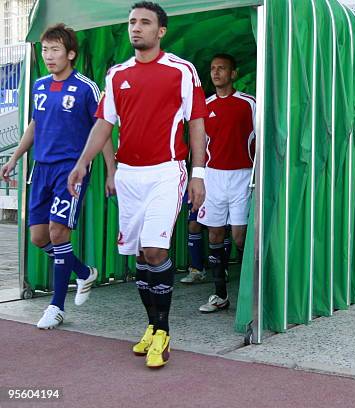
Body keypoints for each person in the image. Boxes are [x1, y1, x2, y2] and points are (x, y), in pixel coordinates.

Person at [68, 1, 207, 369]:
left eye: (145, 22)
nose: (136, 28)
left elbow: (196, 124)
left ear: (161, 31)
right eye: (132, 22)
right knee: (142, 256)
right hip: (129, 175)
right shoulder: (117, 74)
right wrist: (84, 163)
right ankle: (150, 326)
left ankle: (162, 331)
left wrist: (198, 173)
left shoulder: (181, 70)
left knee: (156, 251)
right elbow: (103, 125)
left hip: (167, 171)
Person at [1, 24, 115, 330]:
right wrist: (14, 158)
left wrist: (111, 171)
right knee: (39, 237)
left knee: (58, 232)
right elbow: (35, 126)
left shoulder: (86, 88)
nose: (48, 56)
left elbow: (103, 129)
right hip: (42, 169)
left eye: (55, 50)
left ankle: (56, 306)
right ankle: (83, 271)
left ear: (71, 54)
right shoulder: (39, 85)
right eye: (45, 49)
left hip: (71, 170)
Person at [196, 53, 255, 313]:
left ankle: (249, 296)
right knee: (215, 233)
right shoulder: (204, 106)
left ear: (234, 73)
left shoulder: (249, 104)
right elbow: (199, 145)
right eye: (212, 68)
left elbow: (262, 139)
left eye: (222, 68)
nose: (216, 72)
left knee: (241, 237)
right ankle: (220, 295)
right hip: (214, 176)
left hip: (243, 175)